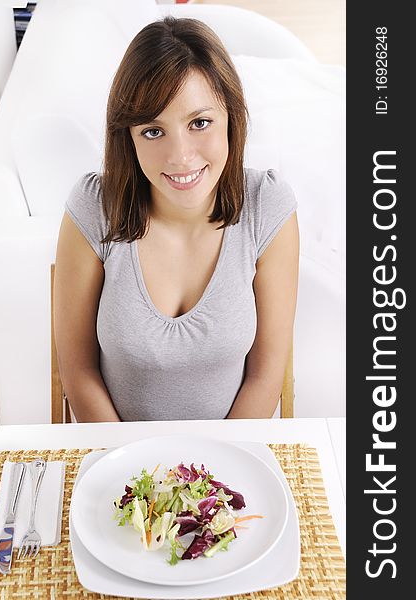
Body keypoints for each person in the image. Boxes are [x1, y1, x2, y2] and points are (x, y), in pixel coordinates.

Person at [54, 16, 299, 422]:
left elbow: (265, 375)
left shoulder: (267, 205)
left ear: (232, 119)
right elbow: (79, 373)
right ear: (128, 138)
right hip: (121, 470)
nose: (180, 156)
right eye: (153, 131)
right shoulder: (93, 208)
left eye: (199, 123)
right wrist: (136, 476)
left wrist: (211, 481)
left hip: (229, 468)